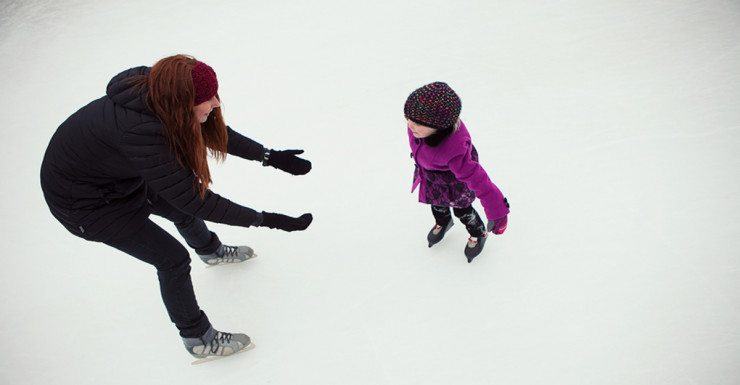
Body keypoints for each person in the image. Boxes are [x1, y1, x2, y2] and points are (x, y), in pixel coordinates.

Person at [40, 54, 313, 360]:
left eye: (213, 96)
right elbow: (197, 200)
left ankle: (210, 250)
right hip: (86, 206)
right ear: (183, 100)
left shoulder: (160, 95)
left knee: (179, 209)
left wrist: (270, 157)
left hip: (115, 179)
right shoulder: (142, 132)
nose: (215, 104)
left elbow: (211, 131)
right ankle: (198, 337)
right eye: (206, 99)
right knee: (172, 259)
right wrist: (267, 220)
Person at [405, 82, 510, 263]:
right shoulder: (419, 130)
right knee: (437, 205)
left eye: (417, 123)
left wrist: (497, 211)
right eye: (408, 119)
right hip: (432, 177)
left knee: (463, 211)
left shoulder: (455, 151)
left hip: (455, 183)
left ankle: (478, 233)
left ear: (439, 126)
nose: (410, 126)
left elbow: (480, 181)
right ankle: (444, 221)